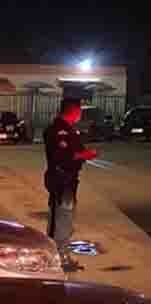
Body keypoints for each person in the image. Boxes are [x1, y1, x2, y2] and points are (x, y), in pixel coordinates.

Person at [44, 99, 97, 271]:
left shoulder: (65, 129)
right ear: (72, 111)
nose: (80, 114)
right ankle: (60, 258)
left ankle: (56, 255)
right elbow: (63, 156)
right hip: (62, 179)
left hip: (64, 179)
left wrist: (82, 153)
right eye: (79, 111)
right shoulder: (60, 130)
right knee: (63, 218)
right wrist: (84, 155)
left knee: (61, 217)